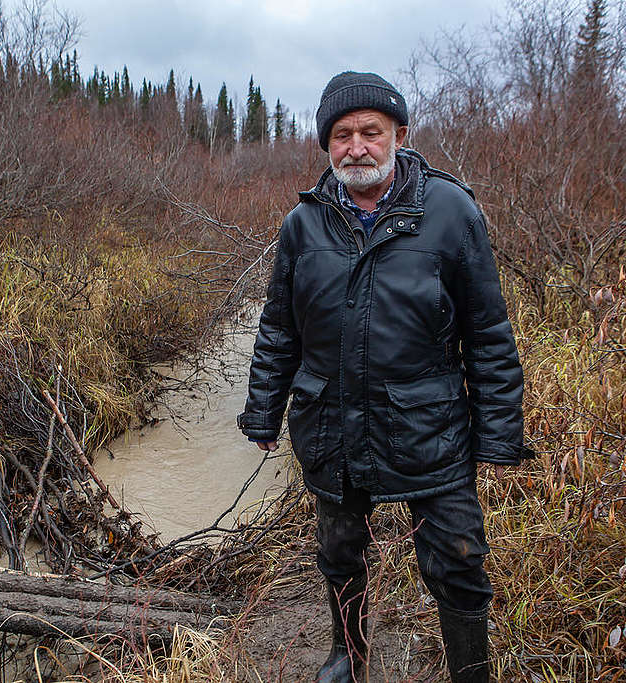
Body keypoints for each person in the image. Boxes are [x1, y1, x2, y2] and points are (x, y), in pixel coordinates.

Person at [236, 71, 533, 683]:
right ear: (327, 146)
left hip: (431, 426)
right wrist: (262, 411)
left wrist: (499, 436)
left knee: (457, 557)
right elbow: (279, 330)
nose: (357, 147)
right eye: (342, 136)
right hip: (332, 423)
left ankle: (469, 672)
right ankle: (349, 654)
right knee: (340, 550)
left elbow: (488, 335)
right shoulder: (303, 225)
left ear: (398, 134)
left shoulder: (451, 212)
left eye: (371, 132)